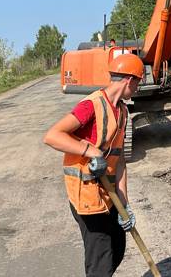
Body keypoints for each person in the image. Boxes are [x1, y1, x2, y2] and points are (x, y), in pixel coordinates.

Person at [43, 53, 143, 276]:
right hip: (87, 198)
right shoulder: (92, 105)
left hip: (108, 196)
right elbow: (52, 135)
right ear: (129, 80)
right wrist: (91, 151)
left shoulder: (123, 111)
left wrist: (124, 204)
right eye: (138, 83)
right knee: (101, 262)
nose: (138, 88)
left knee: (117, 248)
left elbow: (119, 161)